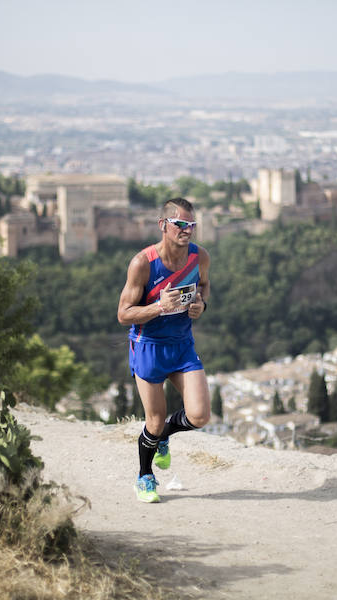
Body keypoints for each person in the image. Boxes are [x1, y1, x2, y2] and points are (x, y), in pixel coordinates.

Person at [117, 197, 211, 503]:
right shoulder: (142, 263)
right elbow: (123, 314)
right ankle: (145, 477)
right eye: (180, 224)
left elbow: (205, 286)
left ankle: (163, 440)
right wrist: (159, 307)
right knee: (153, 420)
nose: (186, 231)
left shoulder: (200, 257)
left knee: (200, 415)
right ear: (163, 225)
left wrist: (201, 305)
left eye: (191, 225)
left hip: (182, 346)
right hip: (149, 347)